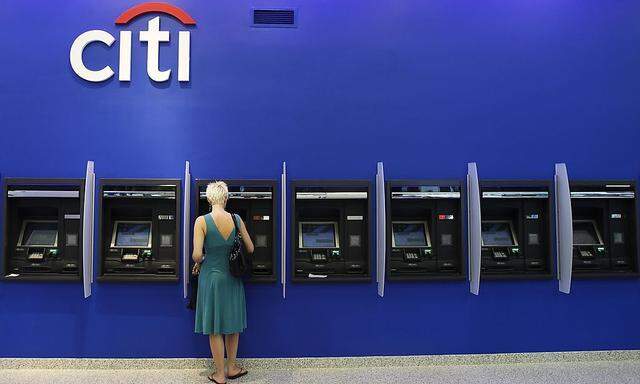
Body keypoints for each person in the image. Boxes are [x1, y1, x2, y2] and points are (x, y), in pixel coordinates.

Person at [193, 181, 254, 383]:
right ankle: (232, 367)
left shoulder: (201, 221)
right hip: (232, 278)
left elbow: (196, 255)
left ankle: (219, 374)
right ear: (226, 198)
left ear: (209, 199)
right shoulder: (236, 219)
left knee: (214, 326)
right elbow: (251, 248)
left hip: (211, 278)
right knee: (232, 323)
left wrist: (201, 260)